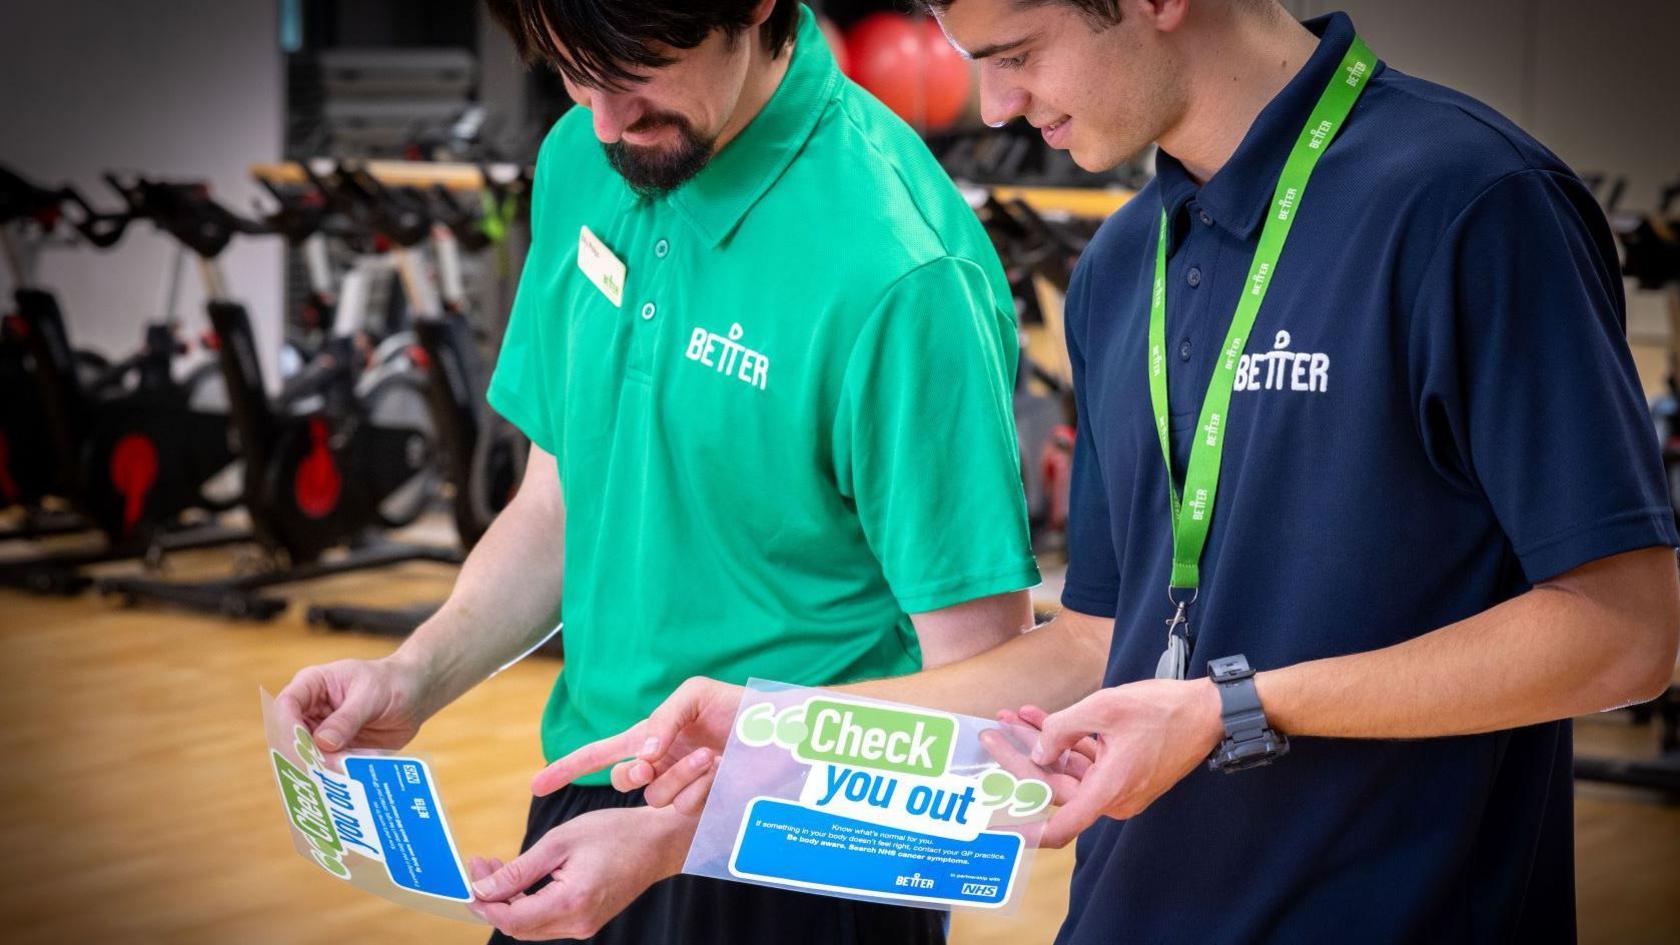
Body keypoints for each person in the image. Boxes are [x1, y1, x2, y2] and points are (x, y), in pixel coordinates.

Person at [546, 1, 1680, 942]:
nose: (995, 107)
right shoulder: (1124, 263)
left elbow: (1625, 629)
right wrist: (759, 741)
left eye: (1017, 55)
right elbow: (1092, 642)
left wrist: (1237, 707)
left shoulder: (1470, 206)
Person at [275, 1, 1045, 942]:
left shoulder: (901, 268)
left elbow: (978, 698)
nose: (603, 119)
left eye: (632, 68)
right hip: (586, 798)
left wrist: (690, 830)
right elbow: (561, 504)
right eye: (570, 73)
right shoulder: (578, 160)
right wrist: (413, 674)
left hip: (804, 860)